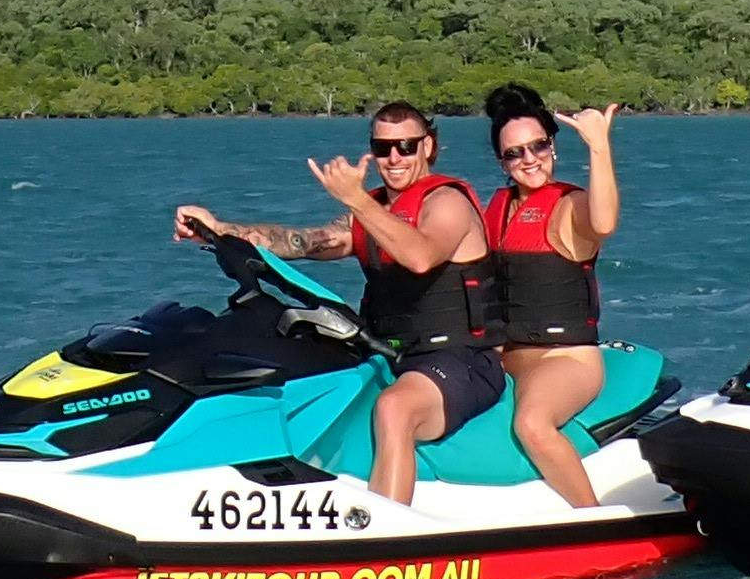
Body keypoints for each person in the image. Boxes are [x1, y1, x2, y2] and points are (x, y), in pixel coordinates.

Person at [171, 101, 495, 509]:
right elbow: (303, 241)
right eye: (383, 148)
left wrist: (357, 199)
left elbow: (420, 256)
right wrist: (219, 230)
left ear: (428, 147)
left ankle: (386, 545)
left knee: (394, 409)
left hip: (461, 359)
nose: (394, 158)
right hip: (389, 354)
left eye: (407, 146)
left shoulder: (447, 203)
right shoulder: (373, 213)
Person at [479, 85, 622, 507]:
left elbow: (604, 221)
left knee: (532, 423)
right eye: (514, 153)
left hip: (565, 359)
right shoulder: (499, 205)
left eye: (538, 146)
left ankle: (593, 520)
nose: (529, 159)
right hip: (505, 356)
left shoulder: (570, 205)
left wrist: (598, 147)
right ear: (501, 162)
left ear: (553, 146)